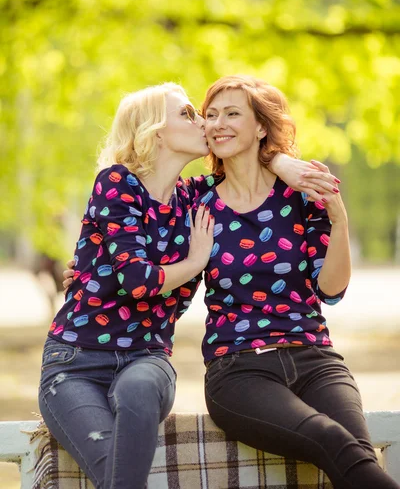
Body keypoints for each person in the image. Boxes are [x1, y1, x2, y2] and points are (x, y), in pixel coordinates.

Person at [55, 82, 341, 489]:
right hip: (77, 358)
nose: (206, 122)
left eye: (203, 113)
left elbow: (247, 166)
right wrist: (190, 263)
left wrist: (281, 162)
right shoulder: (122, 182)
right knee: (113, 470)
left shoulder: (195, 203)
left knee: (137, 400)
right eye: (192, 114)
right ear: (156, 132)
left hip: (146, 356)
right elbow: (136, 279)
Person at [197, 75, 400, 489]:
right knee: (330, 440)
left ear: (260, 127)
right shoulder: (195, 200)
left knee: (354, 451)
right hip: (237, 368)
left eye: (233, 113)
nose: (218, 122)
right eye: (211, 115)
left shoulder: (299, 195)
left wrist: (339, 219)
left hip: (315, 357)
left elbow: (330, 290)